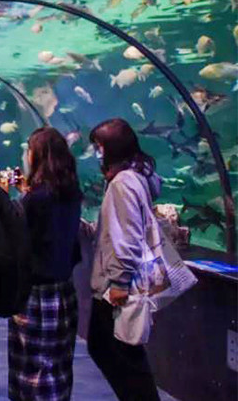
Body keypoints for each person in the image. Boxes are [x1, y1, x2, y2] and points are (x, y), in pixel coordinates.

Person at [86, 118, 163, 401]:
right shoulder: (136, 176)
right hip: (120, 282)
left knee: (119, 354)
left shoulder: (122, 184)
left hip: (116, 287)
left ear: (110, 149)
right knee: (123, 354)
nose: (96, 153)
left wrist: (119, 281)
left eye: (98, 147)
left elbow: (127, 236)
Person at [7, 127, 83, 401]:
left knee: (33, 369)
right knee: (59, 365)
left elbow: (18, 239)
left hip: (36, 296)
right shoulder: (71, 192)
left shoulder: (35, 200)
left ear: (38, 155)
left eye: (29, 150)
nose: (26, 155)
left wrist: (10, 199)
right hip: (64, 291)